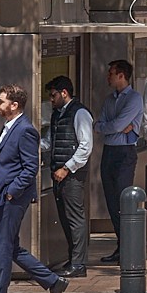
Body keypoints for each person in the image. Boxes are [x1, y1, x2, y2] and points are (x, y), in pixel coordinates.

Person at [0, 85, 68, 293]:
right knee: (10, 248)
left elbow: (30, 168)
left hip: (12, 198)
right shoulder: (9, 128)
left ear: (14, 105)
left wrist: (12, 191)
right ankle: (53, 281)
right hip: (5, 196)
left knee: (2, 247)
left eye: (1, 101)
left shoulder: (25, 130)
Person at [42, 77, 93, 280]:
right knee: (65, 217)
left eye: (53, 95)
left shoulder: (79, 113)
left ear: (64, 93)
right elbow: (49, 141)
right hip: (58, 173)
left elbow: (85, 146)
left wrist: (67, 168)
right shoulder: (57, 115)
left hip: (71, 174)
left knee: (74, 218)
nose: (51, 99)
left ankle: (79, 263)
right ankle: (74, 259)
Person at [95, 60, 142, 265]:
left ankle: (129, 246)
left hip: (124, 153)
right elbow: (100, 125)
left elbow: (116, 124)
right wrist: (113, 127)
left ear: (121, 75)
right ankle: (120, 244)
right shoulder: (109, 100)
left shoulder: (134, 99)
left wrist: (112, 127)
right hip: (109, 152)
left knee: (124, 200)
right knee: (112, 202)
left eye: (111, 73)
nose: (108, 77)